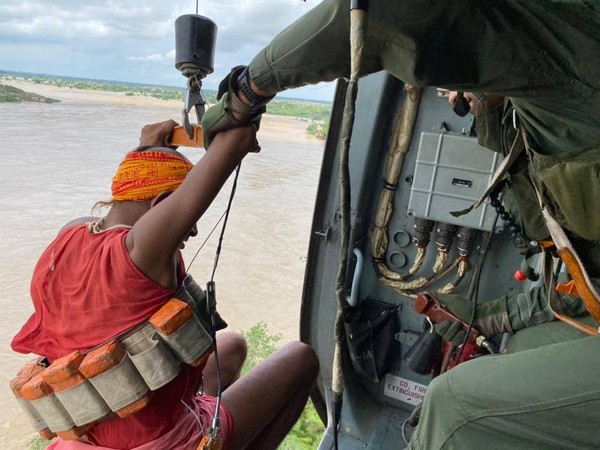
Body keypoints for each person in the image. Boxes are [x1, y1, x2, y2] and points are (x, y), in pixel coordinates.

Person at [198, 0, 600, 448]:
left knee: (456, 409)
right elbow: (584, 283)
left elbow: (380, 12)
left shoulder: (564, 43)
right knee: (518, 353)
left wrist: (247, 94)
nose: (452, 95)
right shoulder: (545, 106)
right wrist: (494, 316)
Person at [11, 120, 319, 450]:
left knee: (233, 346)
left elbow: (127, 201)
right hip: (161, 443)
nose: (192, 232)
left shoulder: (69, 234)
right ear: (160, 208)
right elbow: (235, 141)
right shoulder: (142, 253)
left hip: (89, 438)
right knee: (301, 358)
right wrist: (250, 98)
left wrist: (146, 150)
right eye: (188, 222)